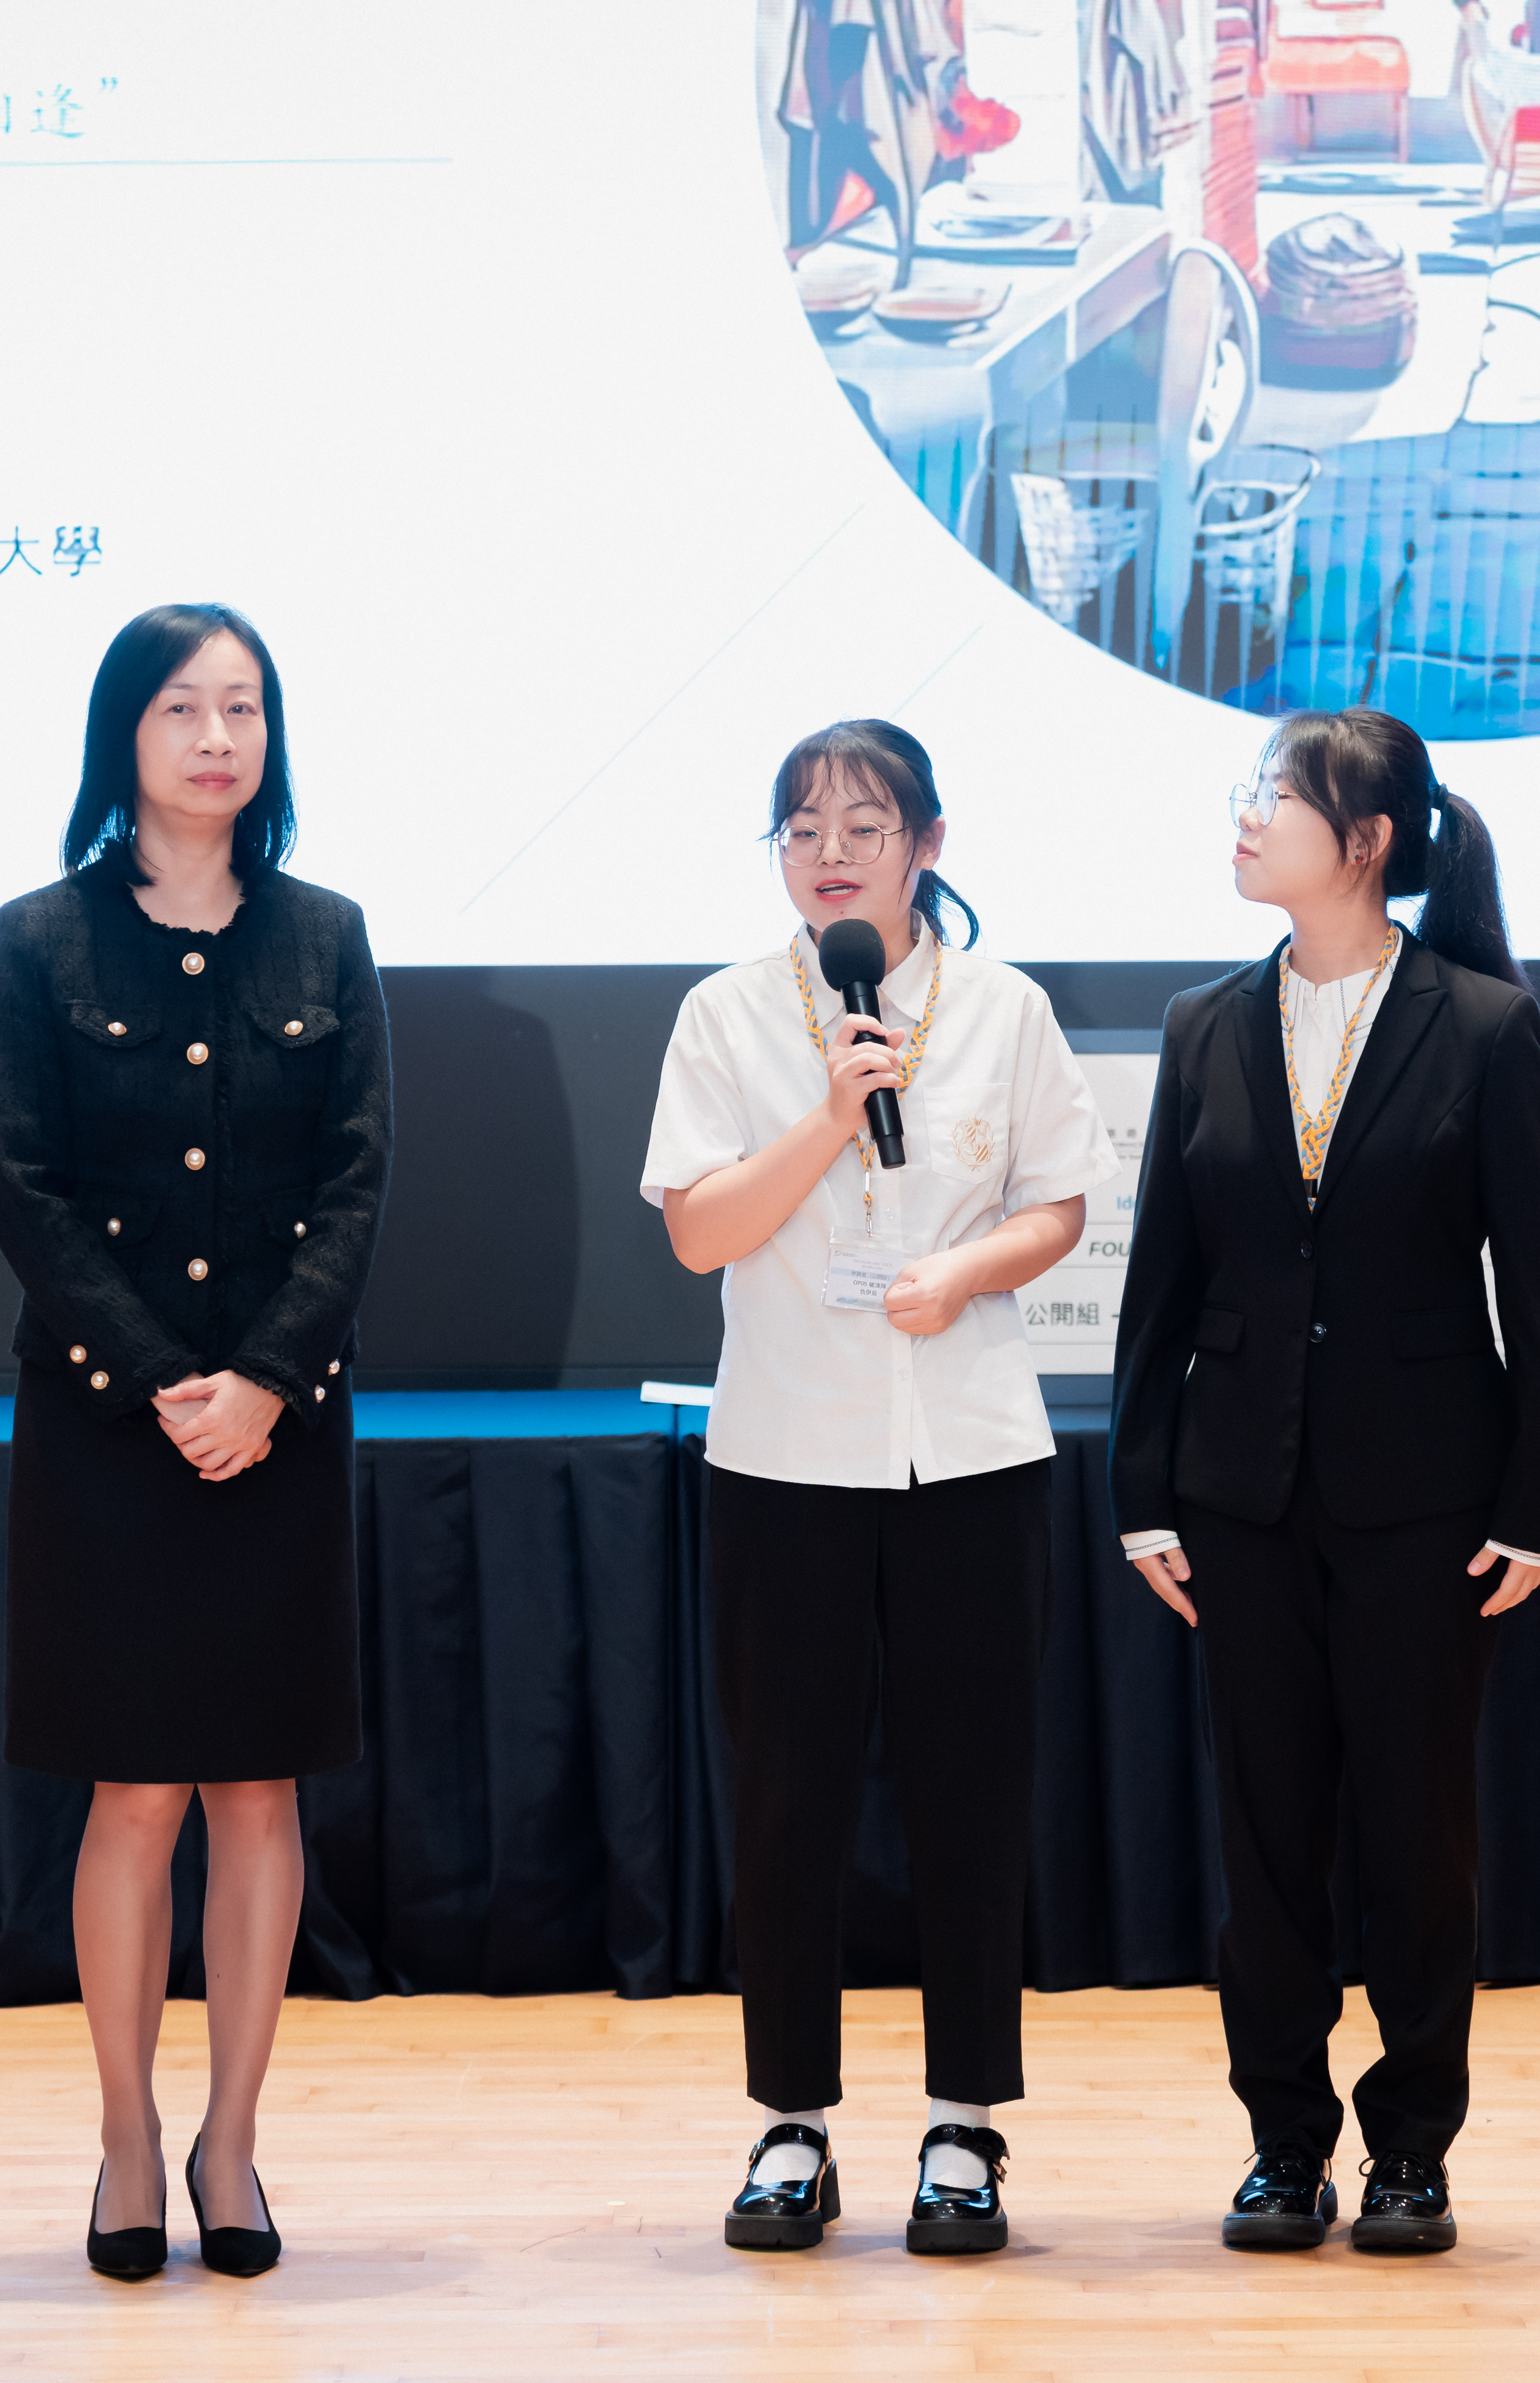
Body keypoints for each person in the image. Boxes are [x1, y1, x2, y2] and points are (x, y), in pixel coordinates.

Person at [1108, 708, 1540, 2255]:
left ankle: (1413, 2150)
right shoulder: (1202, 1025)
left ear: (1368, 843)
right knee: (1266, 1839)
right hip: (1240, 1495)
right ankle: (1282, 2141)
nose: (1246, 818)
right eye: (1250, 792)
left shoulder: (1485, 1026)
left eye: (1279, 797)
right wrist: (1142, 1485)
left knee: (1417, 1835)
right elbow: (1162, 1282)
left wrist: (1539, 1504)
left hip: (1428, 1498)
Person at [641, 719, 1119, 2257]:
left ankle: (966, 2126)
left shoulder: (1004, 1009)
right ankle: (792, 2124)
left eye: (864, 825)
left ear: (927, 845)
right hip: (785, 1456)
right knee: (786, 1797)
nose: (832, 854)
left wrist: (967, 1270)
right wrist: (829, 1116)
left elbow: (1058, 1205)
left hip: (970, 1448)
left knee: (973, 1792)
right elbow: (700, 1234)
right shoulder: (728, 1014)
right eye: (804, 828)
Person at [0, 602, 390, 2282]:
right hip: (107, 1426)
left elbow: (355, 1183)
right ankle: (128, 2140)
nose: (218, 739)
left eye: (245, 709)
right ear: (123, 735)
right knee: (136, 1789)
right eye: (182, 709)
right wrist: (161, 1380)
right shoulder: (41, 939)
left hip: (282, 1427)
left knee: (259, 1785)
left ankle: (232, 2143)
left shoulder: (327, 936)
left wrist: (268, 1381)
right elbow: (23, 1186)